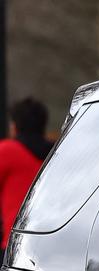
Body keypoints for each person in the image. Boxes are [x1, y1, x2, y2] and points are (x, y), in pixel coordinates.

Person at [0, 98, 53, 249]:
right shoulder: (57, 153)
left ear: (14, 126)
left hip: (15, 246)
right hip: (50, 243)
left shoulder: (7, 151)